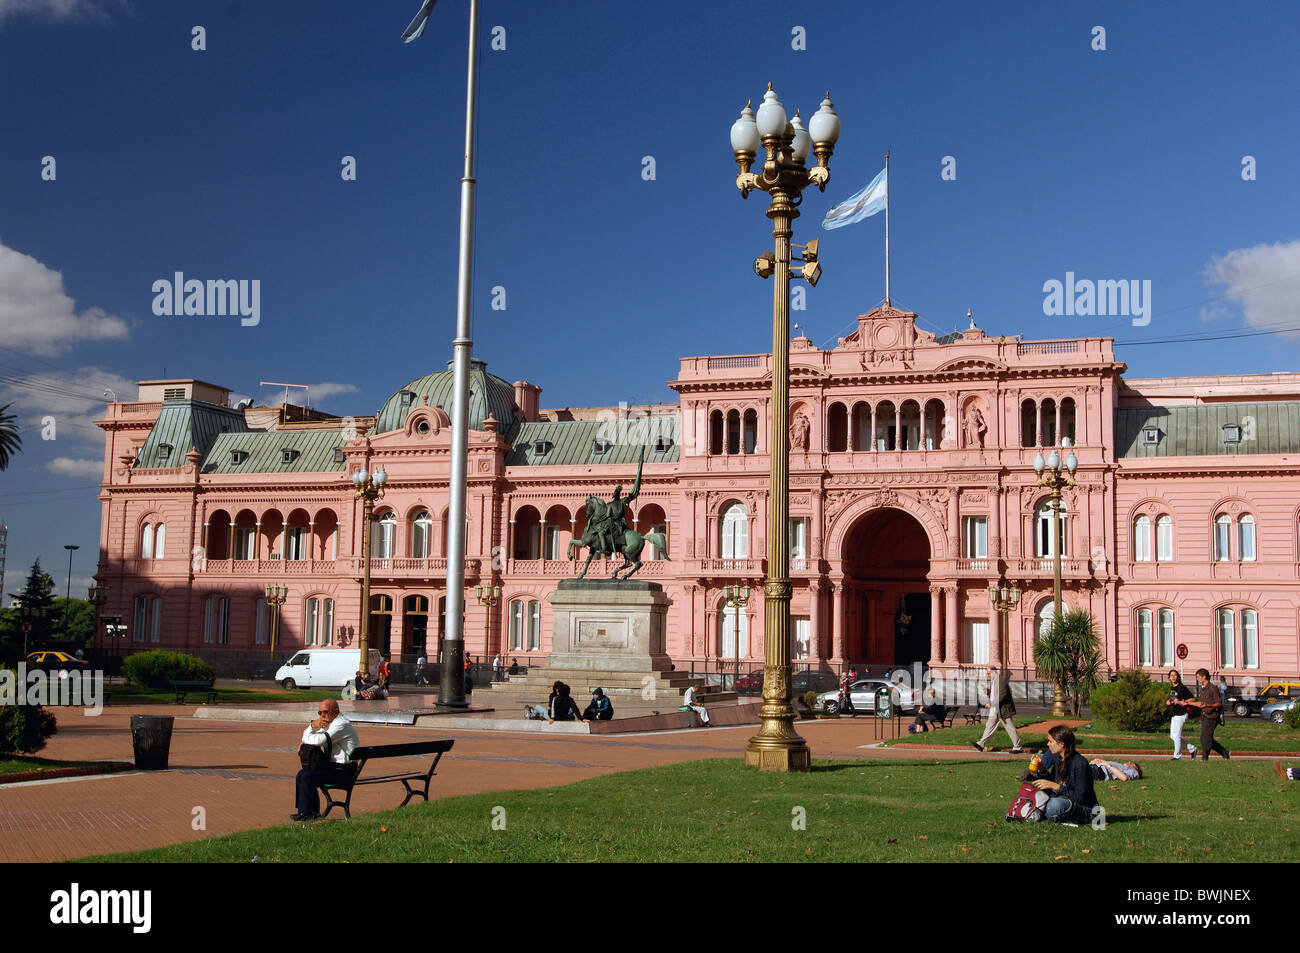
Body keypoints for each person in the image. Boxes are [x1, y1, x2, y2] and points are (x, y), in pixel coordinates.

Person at [293, 699, 360, 821]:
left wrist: (310, 733)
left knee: (308, 777)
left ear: (336, 711)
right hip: (334, 767)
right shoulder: (331, 722)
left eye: (325, 712)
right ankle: (305, 811)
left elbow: (319, 741)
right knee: (301, 774)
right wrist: (313, 726)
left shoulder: (341, 724)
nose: (322, 716)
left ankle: (310, 814)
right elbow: (308, 736)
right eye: (320, 713)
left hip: (345, 771)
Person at [1030, 725, 1097, 824]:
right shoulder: (1058, 759)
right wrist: (1042, 769)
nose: (1048, 744)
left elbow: (1080, 797)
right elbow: (1052, 781)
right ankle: (1039, 814)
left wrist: (1057, 787)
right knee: (1032, 794)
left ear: (1061, 744)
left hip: (1084, 810)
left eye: (1050, 741)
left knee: (1054, 804)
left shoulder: (1080, 764)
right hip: (1062, 799)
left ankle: (1039, 815)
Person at [970, 664, 1023, 753]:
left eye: (989, 673)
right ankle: (981, 744)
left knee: (1010, 727)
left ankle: (1018, 747)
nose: (988, 675)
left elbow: (1002, 695)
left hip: (1003, 709)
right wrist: (986, 691)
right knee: (989, 726)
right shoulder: (995, 681)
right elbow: (994, 694)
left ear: (994, 672)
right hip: (996, 709)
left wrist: (990, 704)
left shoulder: (1000, 680)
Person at [1185, 668, 1230, 760]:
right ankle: (1223, 752)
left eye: (1198, 677)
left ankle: (1204, 758)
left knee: (1205, 738)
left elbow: (1218, 703)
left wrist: (1208, 705)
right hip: (1205, 716)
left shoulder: (1213, 688)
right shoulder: (1203, 689)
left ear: (1204, 677)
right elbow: (1201, 703)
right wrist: (1187, 703)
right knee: (1205, 738)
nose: (1197, 679)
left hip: (1212, 716)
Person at [1165, 669, 1196, 760]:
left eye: (1175, 675)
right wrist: (1170, 702)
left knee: (1177, 735)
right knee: (1173, 736)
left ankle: (1177, 755)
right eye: (1171, 676)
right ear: (1169, 678)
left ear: (1178, 677)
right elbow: (1172, 700)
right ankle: (1192, 748)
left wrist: (1183, 701)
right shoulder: (1173, 688)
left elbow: (1192, 699)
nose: (1173, 677)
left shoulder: (1182, 688)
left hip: (1181, 714)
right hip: (1175, 714)